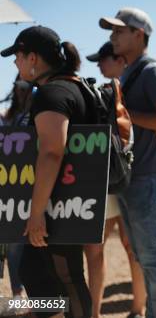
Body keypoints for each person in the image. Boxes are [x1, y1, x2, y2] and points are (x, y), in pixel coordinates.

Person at [1, 26, 92, 317]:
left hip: (57, 205)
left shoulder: (51, 93)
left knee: (65, 278)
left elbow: (52, 151)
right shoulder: (74, 86)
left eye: (17, 55)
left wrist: (37, 212)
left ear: (33, 58)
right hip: (70, 199)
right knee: (49, 276)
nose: (15, 63)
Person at [99, 8, 156, 318]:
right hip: (134, 179)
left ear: (139, 35)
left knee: (155, 260)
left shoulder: (150, 71)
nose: (112, 37)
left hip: (148, 180)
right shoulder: (131, 72)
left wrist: (123, 117)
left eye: (119, 31)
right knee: (146, 260)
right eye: (112, 31)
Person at [84, 42, 146, 318]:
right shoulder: (124, 88)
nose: (98, 64)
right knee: (129, 247)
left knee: (97, 249)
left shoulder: (107, 91)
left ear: (118, 59)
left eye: (103, 59)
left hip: (107, 177)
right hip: (126, 174)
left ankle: (100, 312)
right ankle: (137, 308)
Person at [0, 77, 33, 300]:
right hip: (8, 186)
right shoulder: (10, 115)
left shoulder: (34, 114)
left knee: (15, 245)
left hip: (22, 188)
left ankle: (18, 293)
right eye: (18, 87)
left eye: (26, 88)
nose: (21, 92)